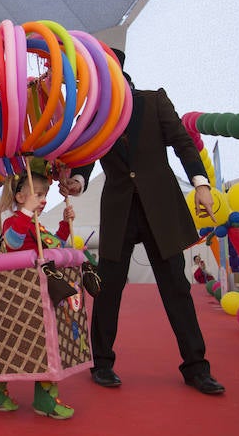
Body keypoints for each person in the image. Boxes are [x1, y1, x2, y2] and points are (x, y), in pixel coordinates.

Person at [62, 47, 224, 395]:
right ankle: (102, 363)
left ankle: (196, 368)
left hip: (159, 209)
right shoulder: (93, 116)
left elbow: (182, 143)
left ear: (116, 73)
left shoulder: (153, 101)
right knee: (107, 290)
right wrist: (77, 180)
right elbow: (84, 161)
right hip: (120, 209)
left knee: (176, 289)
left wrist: (201, 185)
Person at [0, 172, 76, 419]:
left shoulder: (36, 224)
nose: (42, 200)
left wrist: (64, 224)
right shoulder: (14, 221)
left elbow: (53, 245)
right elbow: (13, 244)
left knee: (44, 345)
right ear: (20, 196)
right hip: (21, 294)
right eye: (38, 195)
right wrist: (24, 213)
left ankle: (44, 398)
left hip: (41, 292)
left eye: (45, 195)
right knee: (15, 343)